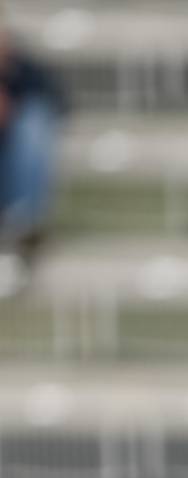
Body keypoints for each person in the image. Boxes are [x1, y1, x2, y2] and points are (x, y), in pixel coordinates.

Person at [0, 16, 66, 290]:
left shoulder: (25, 72)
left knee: (34, 122)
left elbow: (59, 103)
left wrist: (12, 106)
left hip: (14, 174)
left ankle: (23, 227)